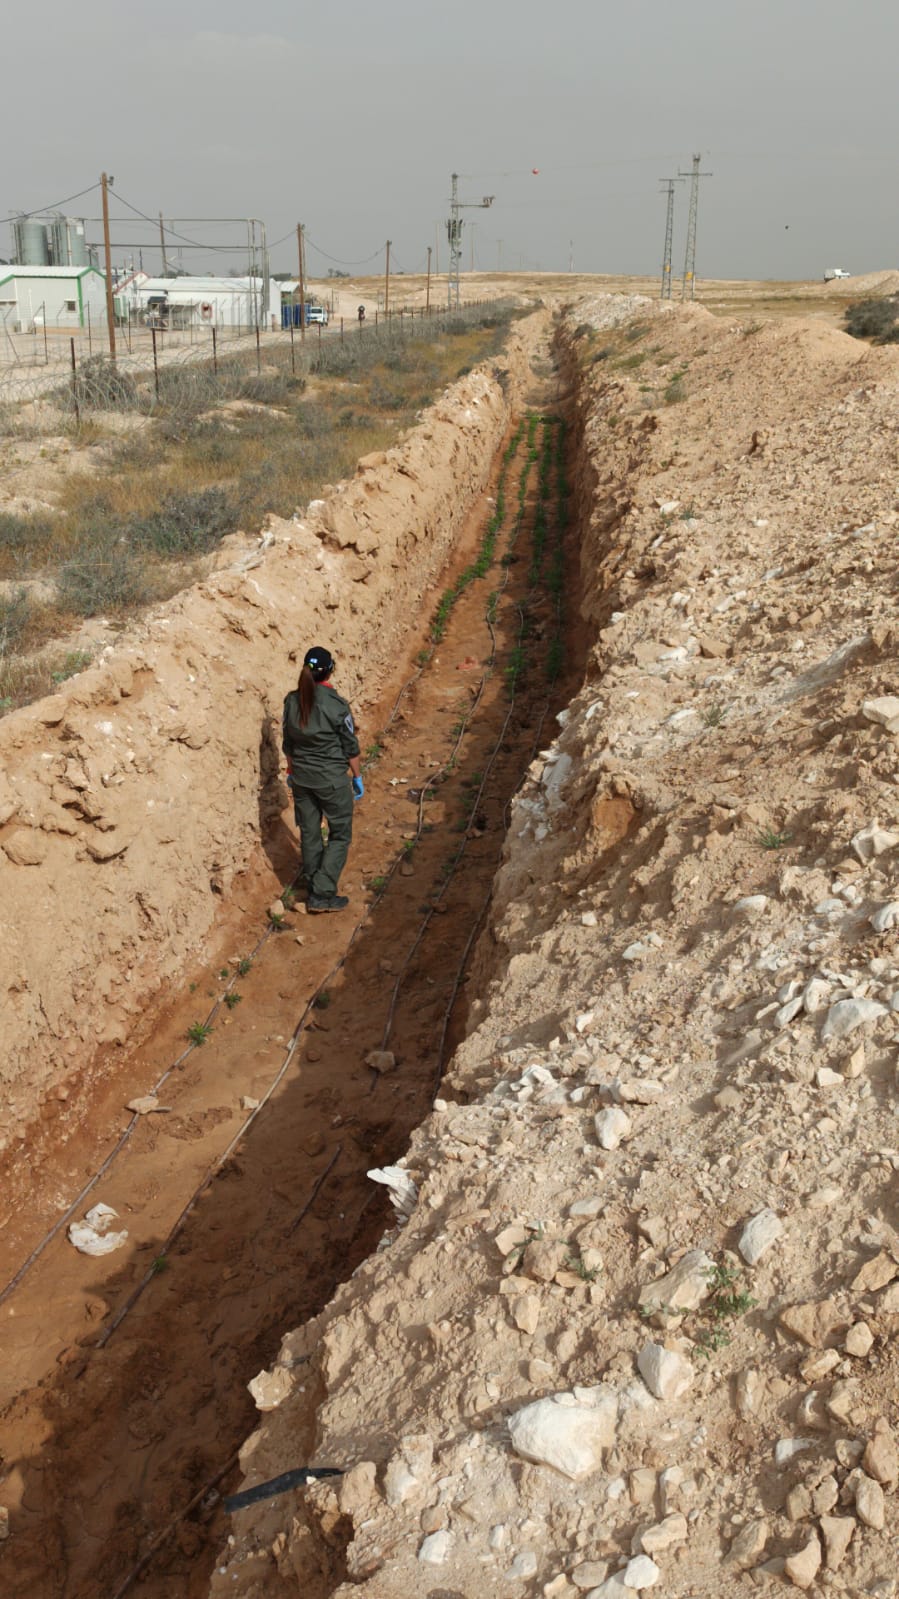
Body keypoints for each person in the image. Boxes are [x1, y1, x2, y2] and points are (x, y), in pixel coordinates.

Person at [282, 646, 363, 913]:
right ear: (330, 671)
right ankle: (323, 891)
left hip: (302, 778)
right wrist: (357, 777)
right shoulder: (336, 705)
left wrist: (293, 774)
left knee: (310, 832)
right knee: (340, 834)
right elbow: (350, 746)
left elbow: (288, 745)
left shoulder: (292, 701)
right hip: (330, 780)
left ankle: (312, 881)